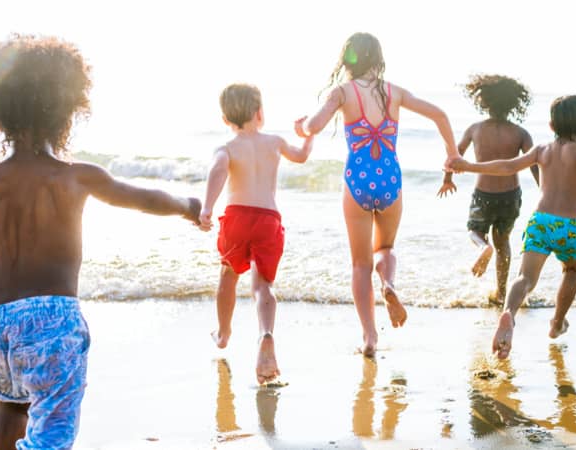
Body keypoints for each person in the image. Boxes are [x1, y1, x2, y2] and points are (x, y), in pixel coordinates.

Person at [0, 35, 201, 449]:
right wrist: (188, 204)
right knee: (52, 433)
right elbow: (144, 199)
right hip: (50, 320)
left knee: (10, 406)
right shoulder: (75, 176)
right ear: (65, 109)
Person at [295, 32, 460, 357]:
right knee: (385, 247)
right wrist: (451, 155)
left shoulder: (342, 92)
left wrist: (302, 129)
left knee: (360, 264)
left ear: (348, 59)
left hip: (357, 181)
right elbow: (440, 114)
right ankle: (389, 285)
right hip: (390, 182)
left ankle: (370, 338)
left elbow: (314, 125)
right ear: (379, 58)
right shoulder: (394, 92)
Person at [450, 95, 576, 359]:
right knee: (572, 270)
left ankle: (509, 313)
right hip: (569, 226)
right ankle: (556, 323)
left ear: (551, 126)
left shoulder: (542, 150)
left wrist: (470, 165)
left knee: (525, 278)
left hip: (539, 221)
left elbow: (507, 166)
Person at [200, 83, 313, 384]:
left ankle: (223, 334)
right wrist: (308, 134)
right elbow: (301, 156)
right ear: (260, 114)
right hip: (268, 218)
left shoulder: (226, 148)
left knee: (228, 275)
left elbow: (218, 170)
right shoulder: (275, 142)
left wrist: (207, 208)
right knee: (263, 285)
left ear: (226, 120)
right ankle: (266, 333)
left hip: (237, 217)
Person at [438, 74, 538, 305]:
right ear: (514, 104)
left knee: (474, 230)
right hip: (510, 197)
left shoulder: (475, 129)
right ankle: (502, 292)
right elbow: (534, 163)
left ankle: (483, 247)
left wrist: (447, 179)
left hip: (483, 195)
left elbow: (454, 156)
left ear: (484, 101)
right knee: (503, 244)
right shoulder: (520, 133)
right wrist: (544, 188)